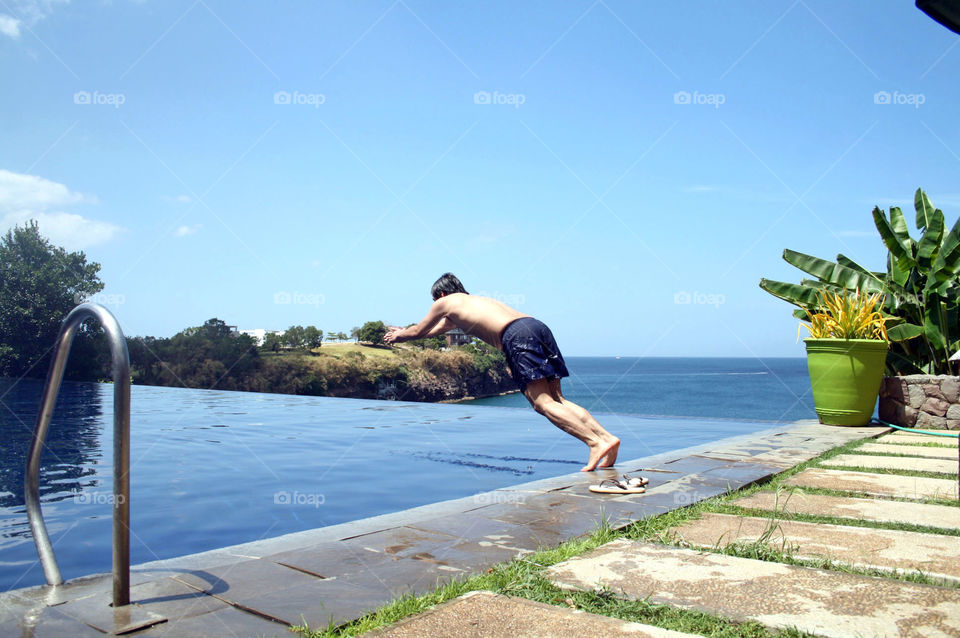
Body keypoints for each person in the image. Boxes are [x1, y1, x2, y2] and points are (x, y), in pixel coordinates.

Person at [384, 273, 620, 472]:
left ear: (441, 295)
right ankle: (607, 438)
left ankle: (594, 442)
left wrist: (398, 335)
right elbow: (430, 331)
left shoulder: (445, 302)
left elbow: (419, 330)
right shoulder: (472, 303)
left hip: (516, 336)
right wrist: (407, 331)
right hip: (536, 327)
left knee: (542, 403)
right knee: (558, 399)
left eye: (435, 300)